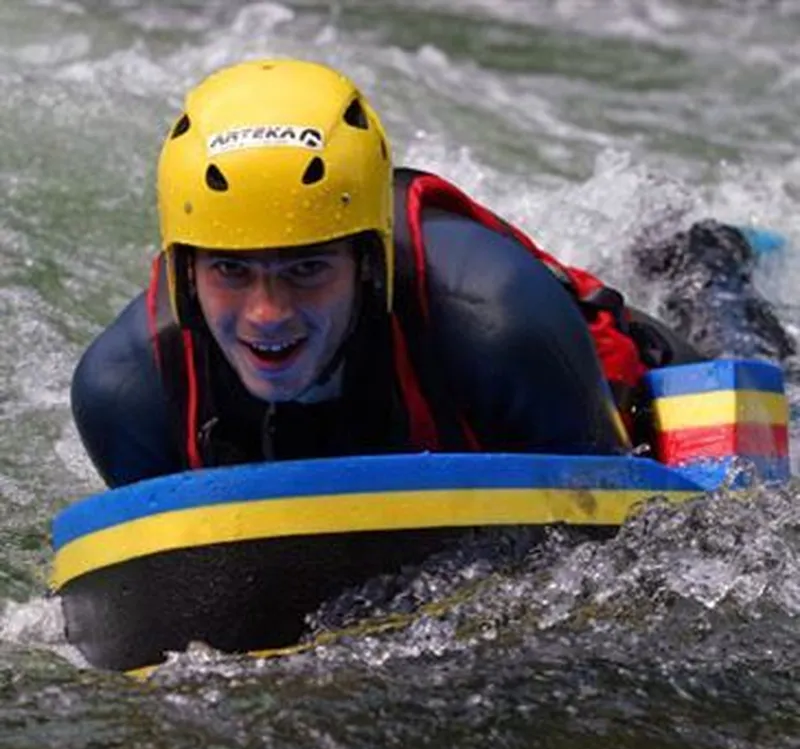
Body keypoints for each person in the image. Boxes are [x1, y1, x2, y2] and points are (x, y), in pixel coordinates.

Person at [72, 58, 758, 489]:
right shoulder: (125, 392)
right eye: (231, 271)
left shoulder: (501, 325)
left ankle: (708, 262)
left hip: (615, 386)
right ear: (180, 274)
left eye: (307, 268)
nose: (267, 312)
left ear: (371, 263)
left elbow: (629, 542)